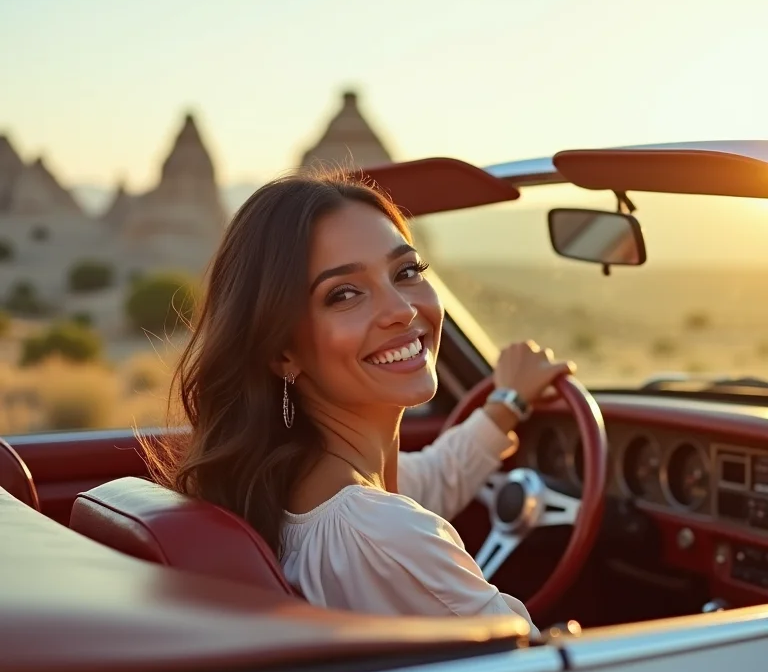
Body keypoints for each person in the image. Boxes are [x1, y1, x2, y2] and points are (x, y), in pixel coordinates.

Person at [144, 171, 574, 634]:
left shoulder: (297, 482)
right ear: (281, 351)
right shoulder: (382, 532)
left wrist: (506, 403)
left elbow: (434, 475)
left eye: (406, 272)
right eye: (344, 294)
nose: (402, 311)